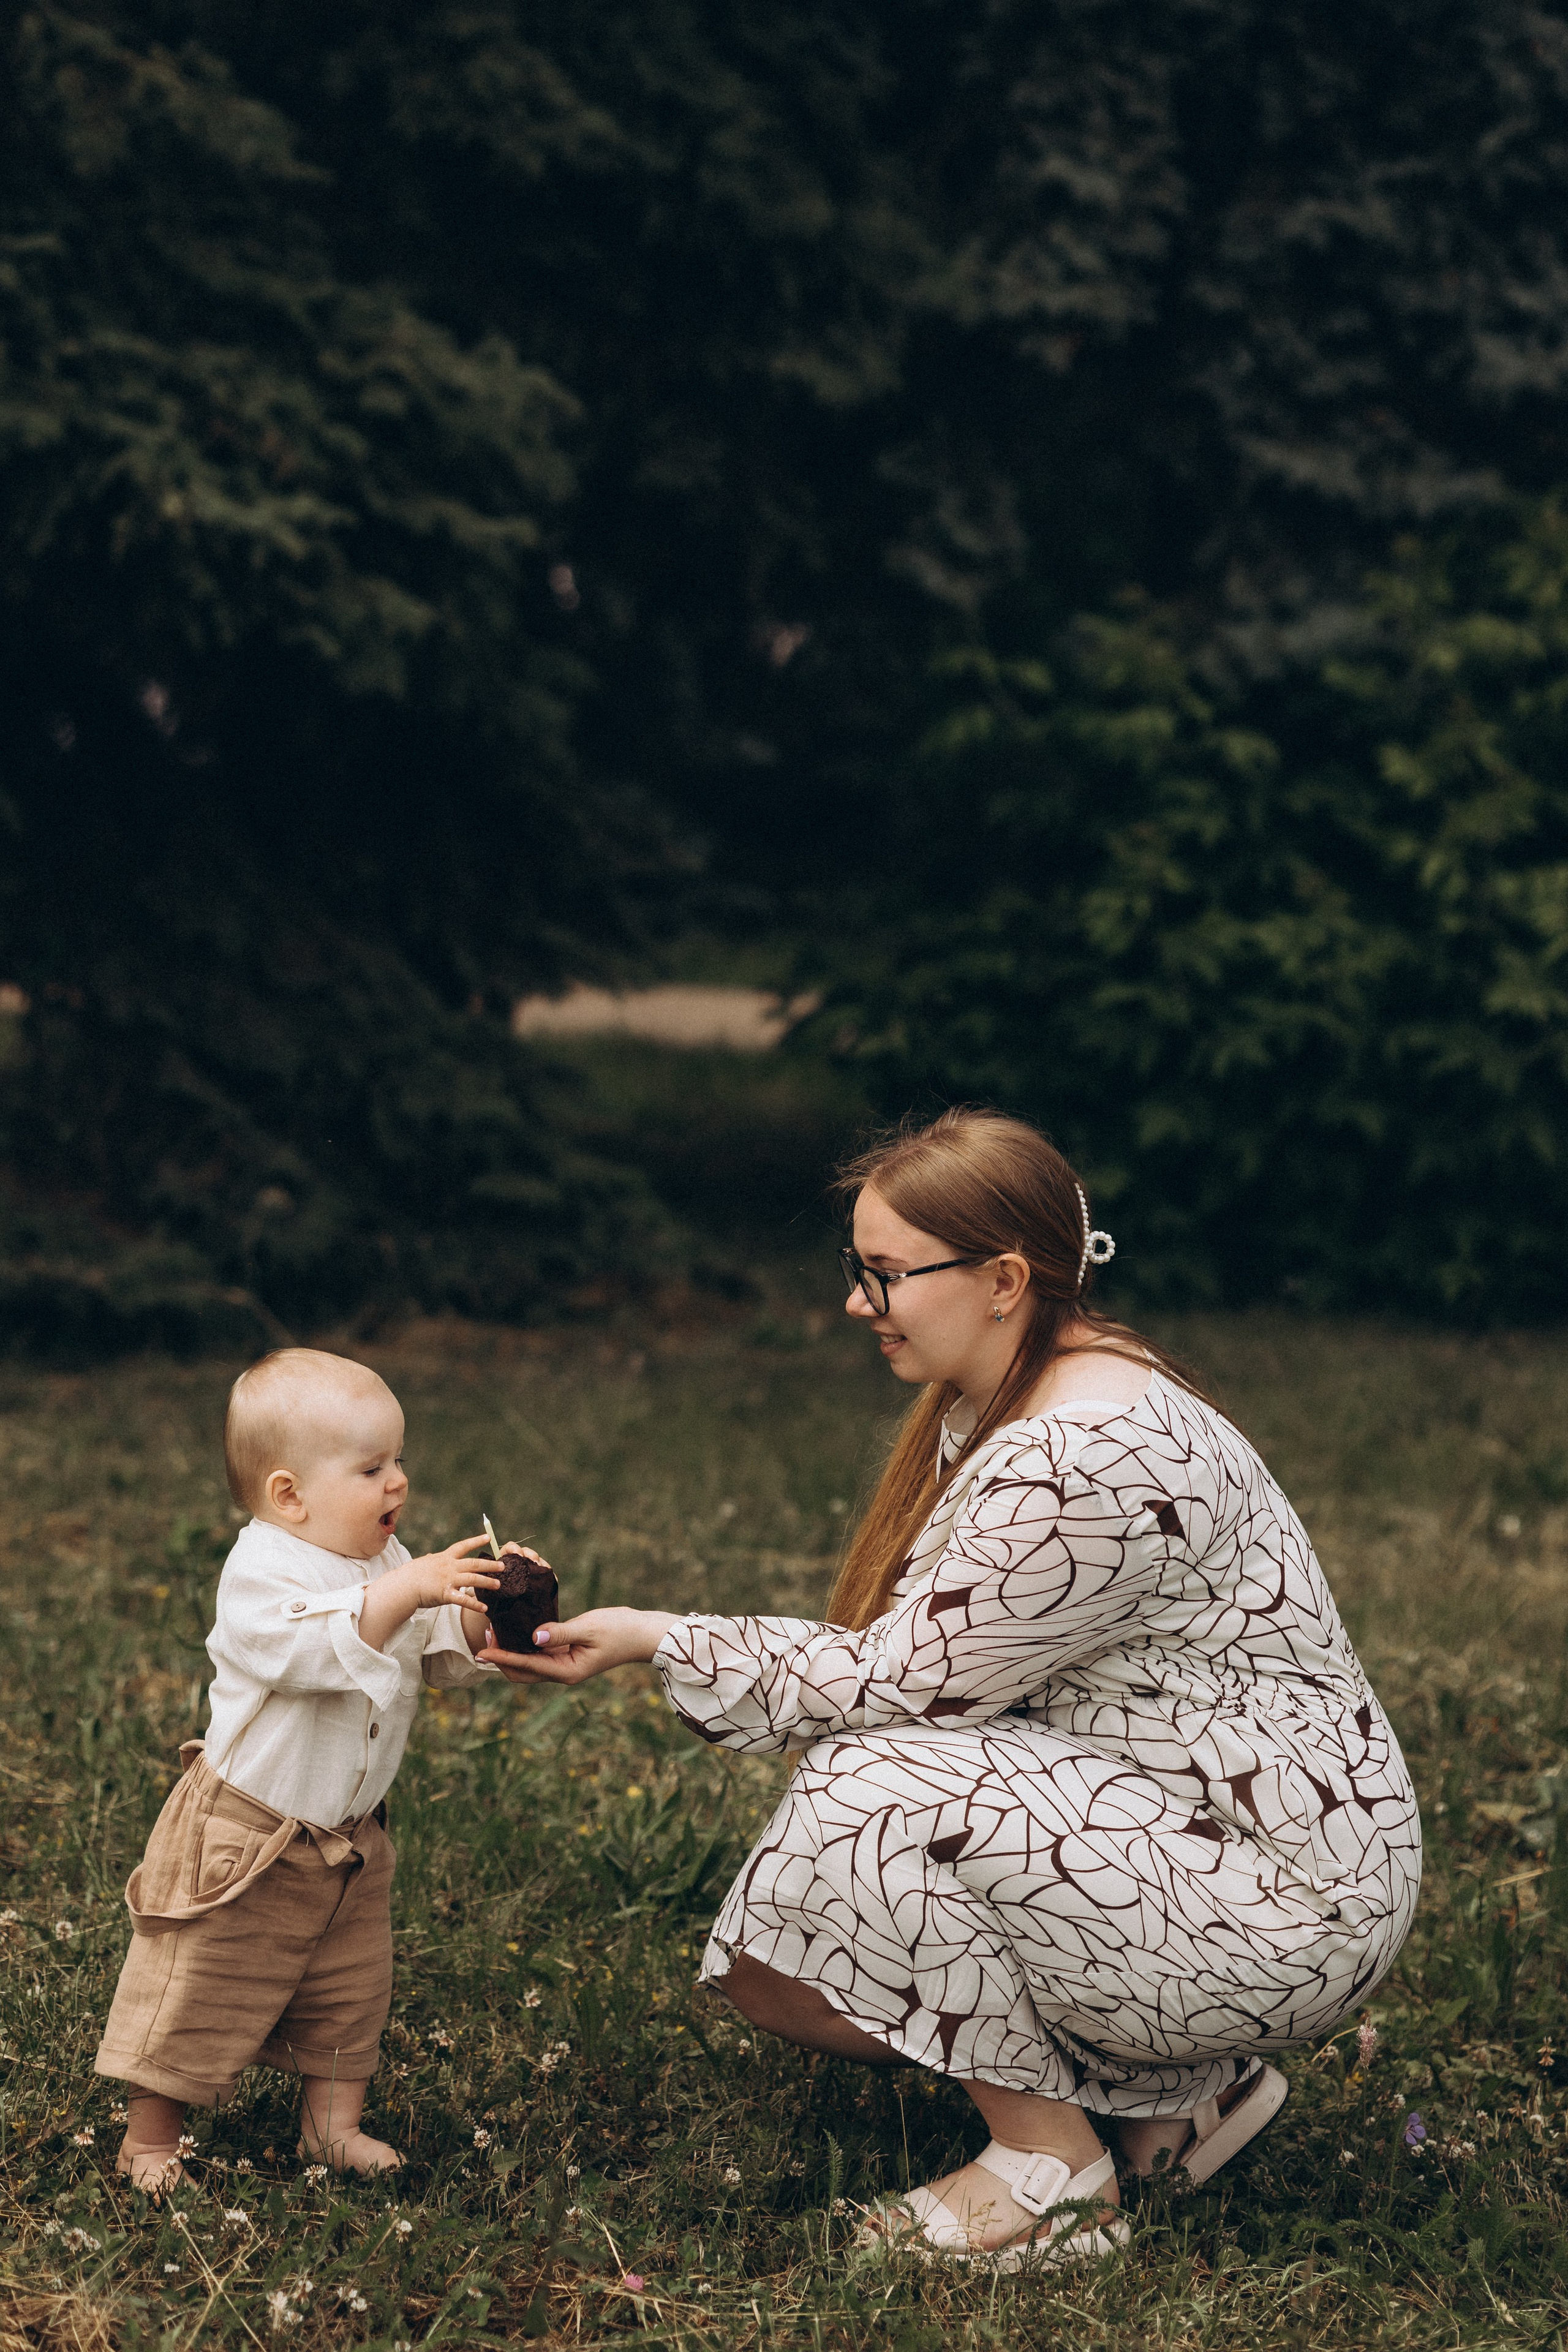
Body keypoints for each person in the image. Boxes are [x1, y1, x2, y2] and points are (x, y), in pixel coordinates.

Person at [496, 1109, 1422, 2267]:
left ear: (1003, 1280)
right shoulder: (1038, 1388)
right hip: (1208, 1843)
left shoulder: (1081, 1450)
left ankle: (1052, 2179)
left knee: (869, 1795)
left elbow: (903, 1687)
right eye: (856, 1269)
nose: (855, 1304)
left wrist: (651, 1636)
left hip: (1281, 1902)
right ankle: (1172, 2104)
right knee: (781, 1956)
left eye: (884, 1275)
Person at [96, 1349, 504, 2192]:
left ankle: (332, 2127)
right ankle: (150, 2137)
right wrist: (409, 1593)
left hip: (350, 1838)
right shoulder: (262, 1570)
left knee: (350, 1990)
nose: (398, 1482)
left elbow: (430, 1651)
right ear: (290, 1495)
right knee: (201, 1982)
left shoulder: (387, 1563)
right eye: (371, 1467)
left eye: (398, 1460)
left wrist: (478, 1618)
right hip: (248, 1833)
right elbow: (307, 1652)